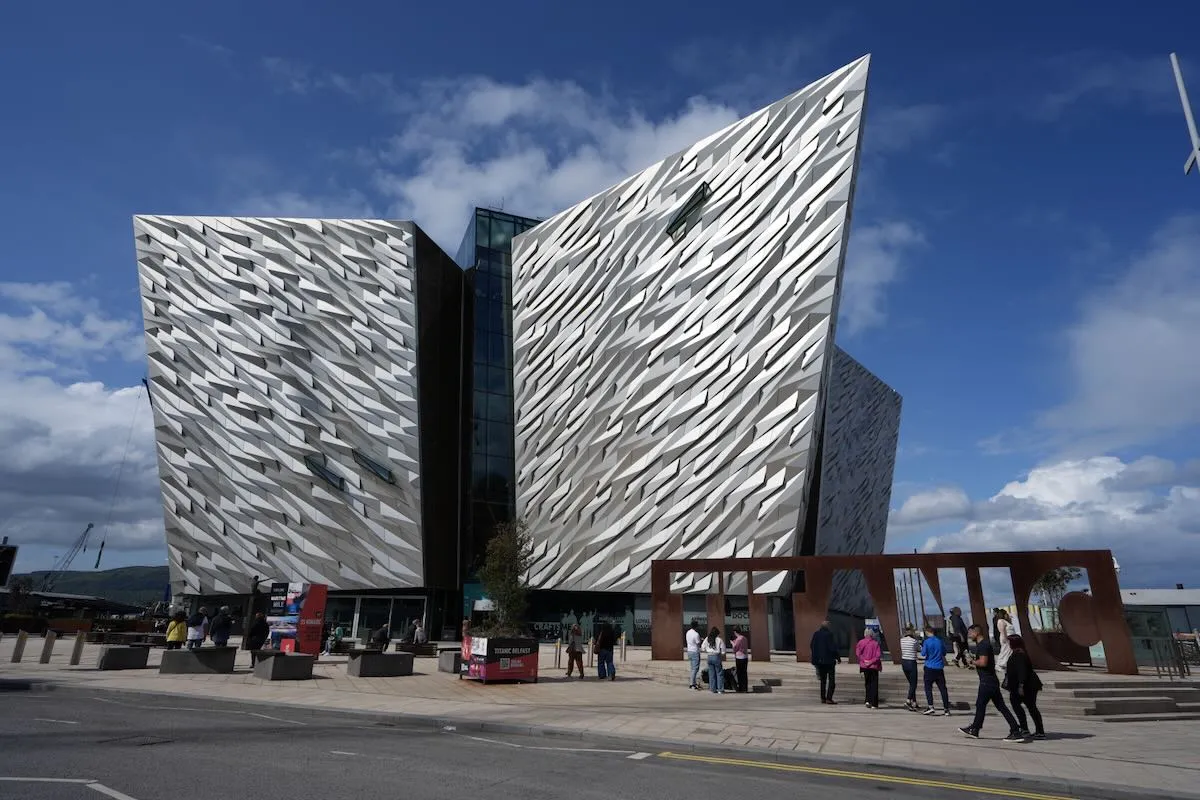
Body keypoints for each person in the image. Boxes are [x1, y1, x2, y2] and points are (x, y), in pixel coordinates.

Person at [959, 623, 1025, 742]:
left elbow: (983, 662)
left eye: (970, 633)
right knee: (1000, 707)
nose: (969, 635)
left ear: (976, 632)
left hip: (987, 681)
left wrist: (972, 661)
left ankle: (975, 728)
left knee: (981, 705)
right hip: (990, 680)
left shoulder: (983, 645)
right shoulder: (982, 644)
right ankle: (1015, 729)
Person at [1004, 635, 1045, 739]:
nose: (1009, 644)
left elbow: (1022, 671)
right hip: (1022, 686)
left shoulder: (1020, 655)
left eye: (1010, 642)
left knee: (1028, 707)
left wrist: (1021, 685)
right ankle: (1031, 729)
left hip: (1026, 686)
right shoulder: (1017, 653)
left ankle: (1031, 729)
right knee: (1025, 707)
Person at [919, 623, 951, 716]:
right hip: (939, 667)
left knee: (928, 688)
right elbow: (944, 653)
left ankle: (931, 706)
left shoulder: (927, 642)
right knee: (943, 689)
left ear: (927, 632)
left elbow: (923, 654)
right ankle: (946, 709)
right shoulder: (939, 641)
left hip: (929, 666)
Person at [810, 619, 840, 704]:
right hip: (829, 661)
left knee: (823, 681)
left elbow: (812, 645)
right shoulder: (829, 635)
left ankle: (823, 698)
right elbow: (832, 647)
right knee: (831, 680)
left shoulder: (816, 634)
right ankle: (829, 698)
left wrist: (815, 657)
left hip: (819, 662)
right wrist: (838, 657)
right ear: (828, 627)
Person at [855, 628, 883, 709]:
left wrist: (864, 660)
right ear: (872, 635)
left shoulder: (860, 642)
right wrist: (871, 661)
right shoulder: (875, 643)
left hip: (864, 666)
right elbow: (878, 656)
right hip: (873, 666)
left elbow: (858, 653)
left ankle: (868, 700)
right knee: (874, 684)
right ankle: (874, 703)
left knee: (867, 684)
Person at [900, 624, 921, 711]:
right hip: (911, 662)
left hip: (904, 662)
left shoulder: (901, 640)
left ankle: (914, 702)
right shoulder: (914, 641)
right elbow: (919, 649)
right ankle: (908, 700)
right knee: (913, 683)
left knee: (911, 683)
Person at [701, 627, 726, 694]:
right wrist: (721, 654)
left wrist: (707, 650)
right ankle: (720, 689)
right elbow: (723, 650)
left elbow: (702, 648)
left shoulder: (707, 639)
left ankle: (712, 689)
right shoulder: (719, 639)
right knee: (719, 673)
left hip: (709, 656)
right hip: (716, 656)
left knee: (711, 674)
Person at [730, 627, 749, 693]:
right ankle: (745, 688)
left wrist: (732, 643)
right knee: (744, 673)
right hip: (745, 657)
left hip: (739, 657)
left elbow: (735, 648)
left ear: (735, 632)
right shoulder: (745, 638)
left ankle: (741, 688)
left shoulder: (738, 639)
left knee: (740, 673)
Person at [685, 620, 703, 690]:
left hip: (689, 651)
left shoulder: (688, 632)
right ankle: (692, 684)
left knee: (692, 668)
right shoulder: (696, 634)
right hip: (695, 651)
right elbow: (698, 643)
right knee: (695, 668)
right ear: (696, 626)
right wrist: (701, 640)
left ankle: (693, 683)